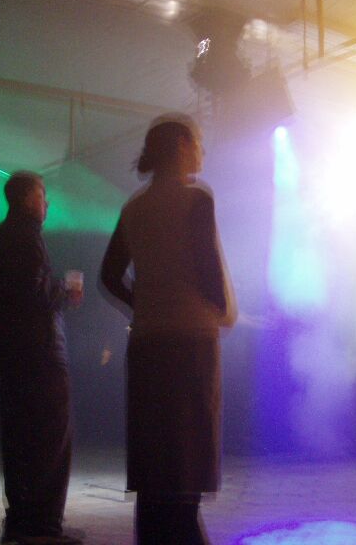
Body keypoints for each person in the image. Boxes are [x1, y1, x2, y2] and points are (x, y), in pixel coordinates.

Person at [100, 115, 237, 545]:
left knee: (157, 457)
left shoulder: (134, 207)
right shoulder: (197, 198)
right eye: (197, 141)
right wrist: (223, 309)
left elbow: (108, 275)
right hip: (191, 341)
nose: (202, 150)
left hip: (147, 345)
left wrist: (141, 303)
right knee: (188, 457)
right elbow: (207, 265)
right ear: (180, 146)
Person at [0, 171, 83, 545]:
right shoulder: (26, 239)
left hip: (13, 360)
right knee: (50, 442)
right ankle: (44, 528)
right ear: (26, 199)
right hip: (40, 357)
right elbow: (34, 296)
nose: (47, 203)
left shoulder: (0, 238)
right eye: (41, 195)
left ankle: (21, 523)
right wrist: (64, 290)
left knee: (21, 444)